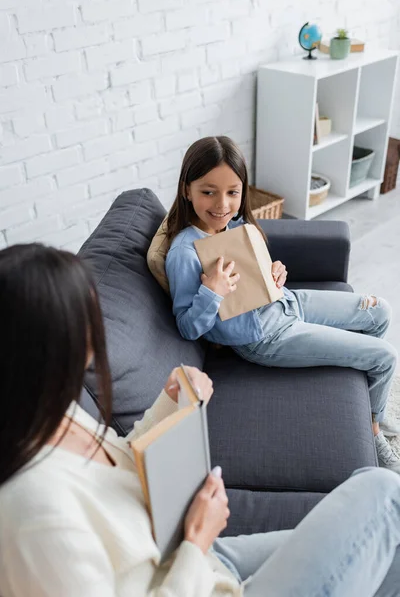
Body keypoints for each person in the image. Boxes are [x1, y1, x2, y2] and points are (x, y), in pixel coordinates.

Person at [1, 243, 400, 597]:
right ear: (50, 347)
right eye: (90, 320)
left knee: (378, 535)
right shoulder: (33, 513)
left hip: (193, 562)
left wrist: (170, 403)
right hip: (191, 568)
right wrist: (195, 539)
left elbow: (119, 462)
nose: (99, 335)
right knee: (383, 495)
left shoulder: (53, 413)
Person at [165, 136, 400, 473]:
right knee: (385, 357)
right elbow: (188, 328)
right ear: (187, 190)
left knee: (380, 311)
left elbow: (256, 278)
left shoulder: (236, 226)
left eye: (233, 191)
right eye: (208, 191)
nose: (222, 204)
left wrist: (274, 272)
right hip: (265, 337)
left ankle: (371, 406)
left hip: (289, 303)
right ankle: (373, 431)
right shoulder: (185, 253)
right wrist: (211, 292)